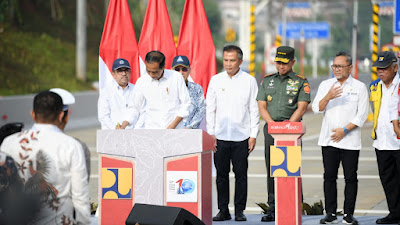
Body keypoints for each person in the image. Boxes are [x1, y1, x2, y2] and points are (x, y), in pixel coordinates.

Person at [0, 90, 90, 224]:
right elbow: (80, 197)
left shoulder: (9, 143)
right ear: (61, 115)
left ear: (33, 114)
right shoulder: (71, 145)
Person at [312, 52, 368, 224]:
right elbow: (316, 108)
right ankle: (330, 213)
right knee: (329, 177)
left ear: (350, 67)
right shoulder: (325, 85)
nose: (336, 69)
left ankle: (348, 214)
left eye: (340, 66)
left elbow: (362, 115)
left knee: (350, 178)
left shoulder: (359, 87)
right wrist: (328, 97)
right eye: (334, 66)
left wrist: (345, 130)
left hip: (350, 141)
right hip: (328, 140)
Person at [256, 46, 311, 222]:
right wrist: (274, 126)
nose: (281, 66)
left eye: (284, 63)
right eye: (278, 62)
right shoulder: (267, 81)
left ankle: (295, 203)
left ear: (293, 62)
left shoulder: (301, 81)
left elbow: (302, 107)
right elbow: (262, 106)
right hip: (272, 130)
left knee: (290, 169)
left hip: (291, 132)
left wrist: (287, 127)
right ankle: (272, 207)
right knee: (272, 169)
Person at [206, 45, 259, 222]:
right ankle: (223, 210)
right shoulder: (215, 80)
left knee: (241, 175)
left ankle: (239, 211)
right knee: (221, 176)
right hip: (219, 137)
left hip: (241, 137)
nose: (228, 64)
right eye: (226, 60)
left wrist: (253, 134)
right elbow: (210, 108)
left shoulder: (249, 81)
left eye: (232, 60)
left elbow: (254, 109)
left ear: (240, 61)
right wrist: (210, 133)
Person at [369, 51, 400, 225]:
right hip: (382, 141)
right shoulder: (374, 86)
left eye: (384, 68)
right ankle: (394, 213)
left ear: (395, 68)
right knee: (388, 180)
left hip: (398, 140)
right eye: (378, 69)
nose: (380, 72)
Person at [130, 51, 191, 129]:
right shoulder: (142, 81)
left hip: (175, 130)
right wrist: (125, 123)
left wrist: (173, 125)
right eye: (148, 71)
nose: (151, 75)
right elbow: (135, 107)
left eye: (155, 72)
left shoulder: (176, 77)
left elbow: (186, 103)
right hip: (152, 130)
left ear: (163, 67)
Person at [50, 88, 91, 182]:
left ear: (34, 114)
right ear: (64, 117)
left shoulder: (16, 142)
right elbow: (81, 186)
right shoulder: (78, 147)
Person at [98, 58, 139, 129]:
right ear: (113, 74)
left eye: (126, 70)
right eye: (120, 71)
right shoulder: (106, 91)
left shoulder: (136, 90)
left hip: (132, 133)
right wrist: (115, 127)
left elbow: (138, 111)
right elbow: (103, 116)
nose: (124, 74)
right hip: (111, 133)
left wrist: (125, 125)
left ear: (130, 72)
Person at [171, 55, 205, 129]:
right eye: (177, 69)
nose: (181, 72)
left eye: (184, 69)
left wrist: (189, 127)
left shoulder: (197, 89)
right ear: (171, 70)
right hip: (170, 131)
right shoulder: (166, 88)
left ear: (189, 70)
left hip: (191, 132)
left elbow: (200, 111)